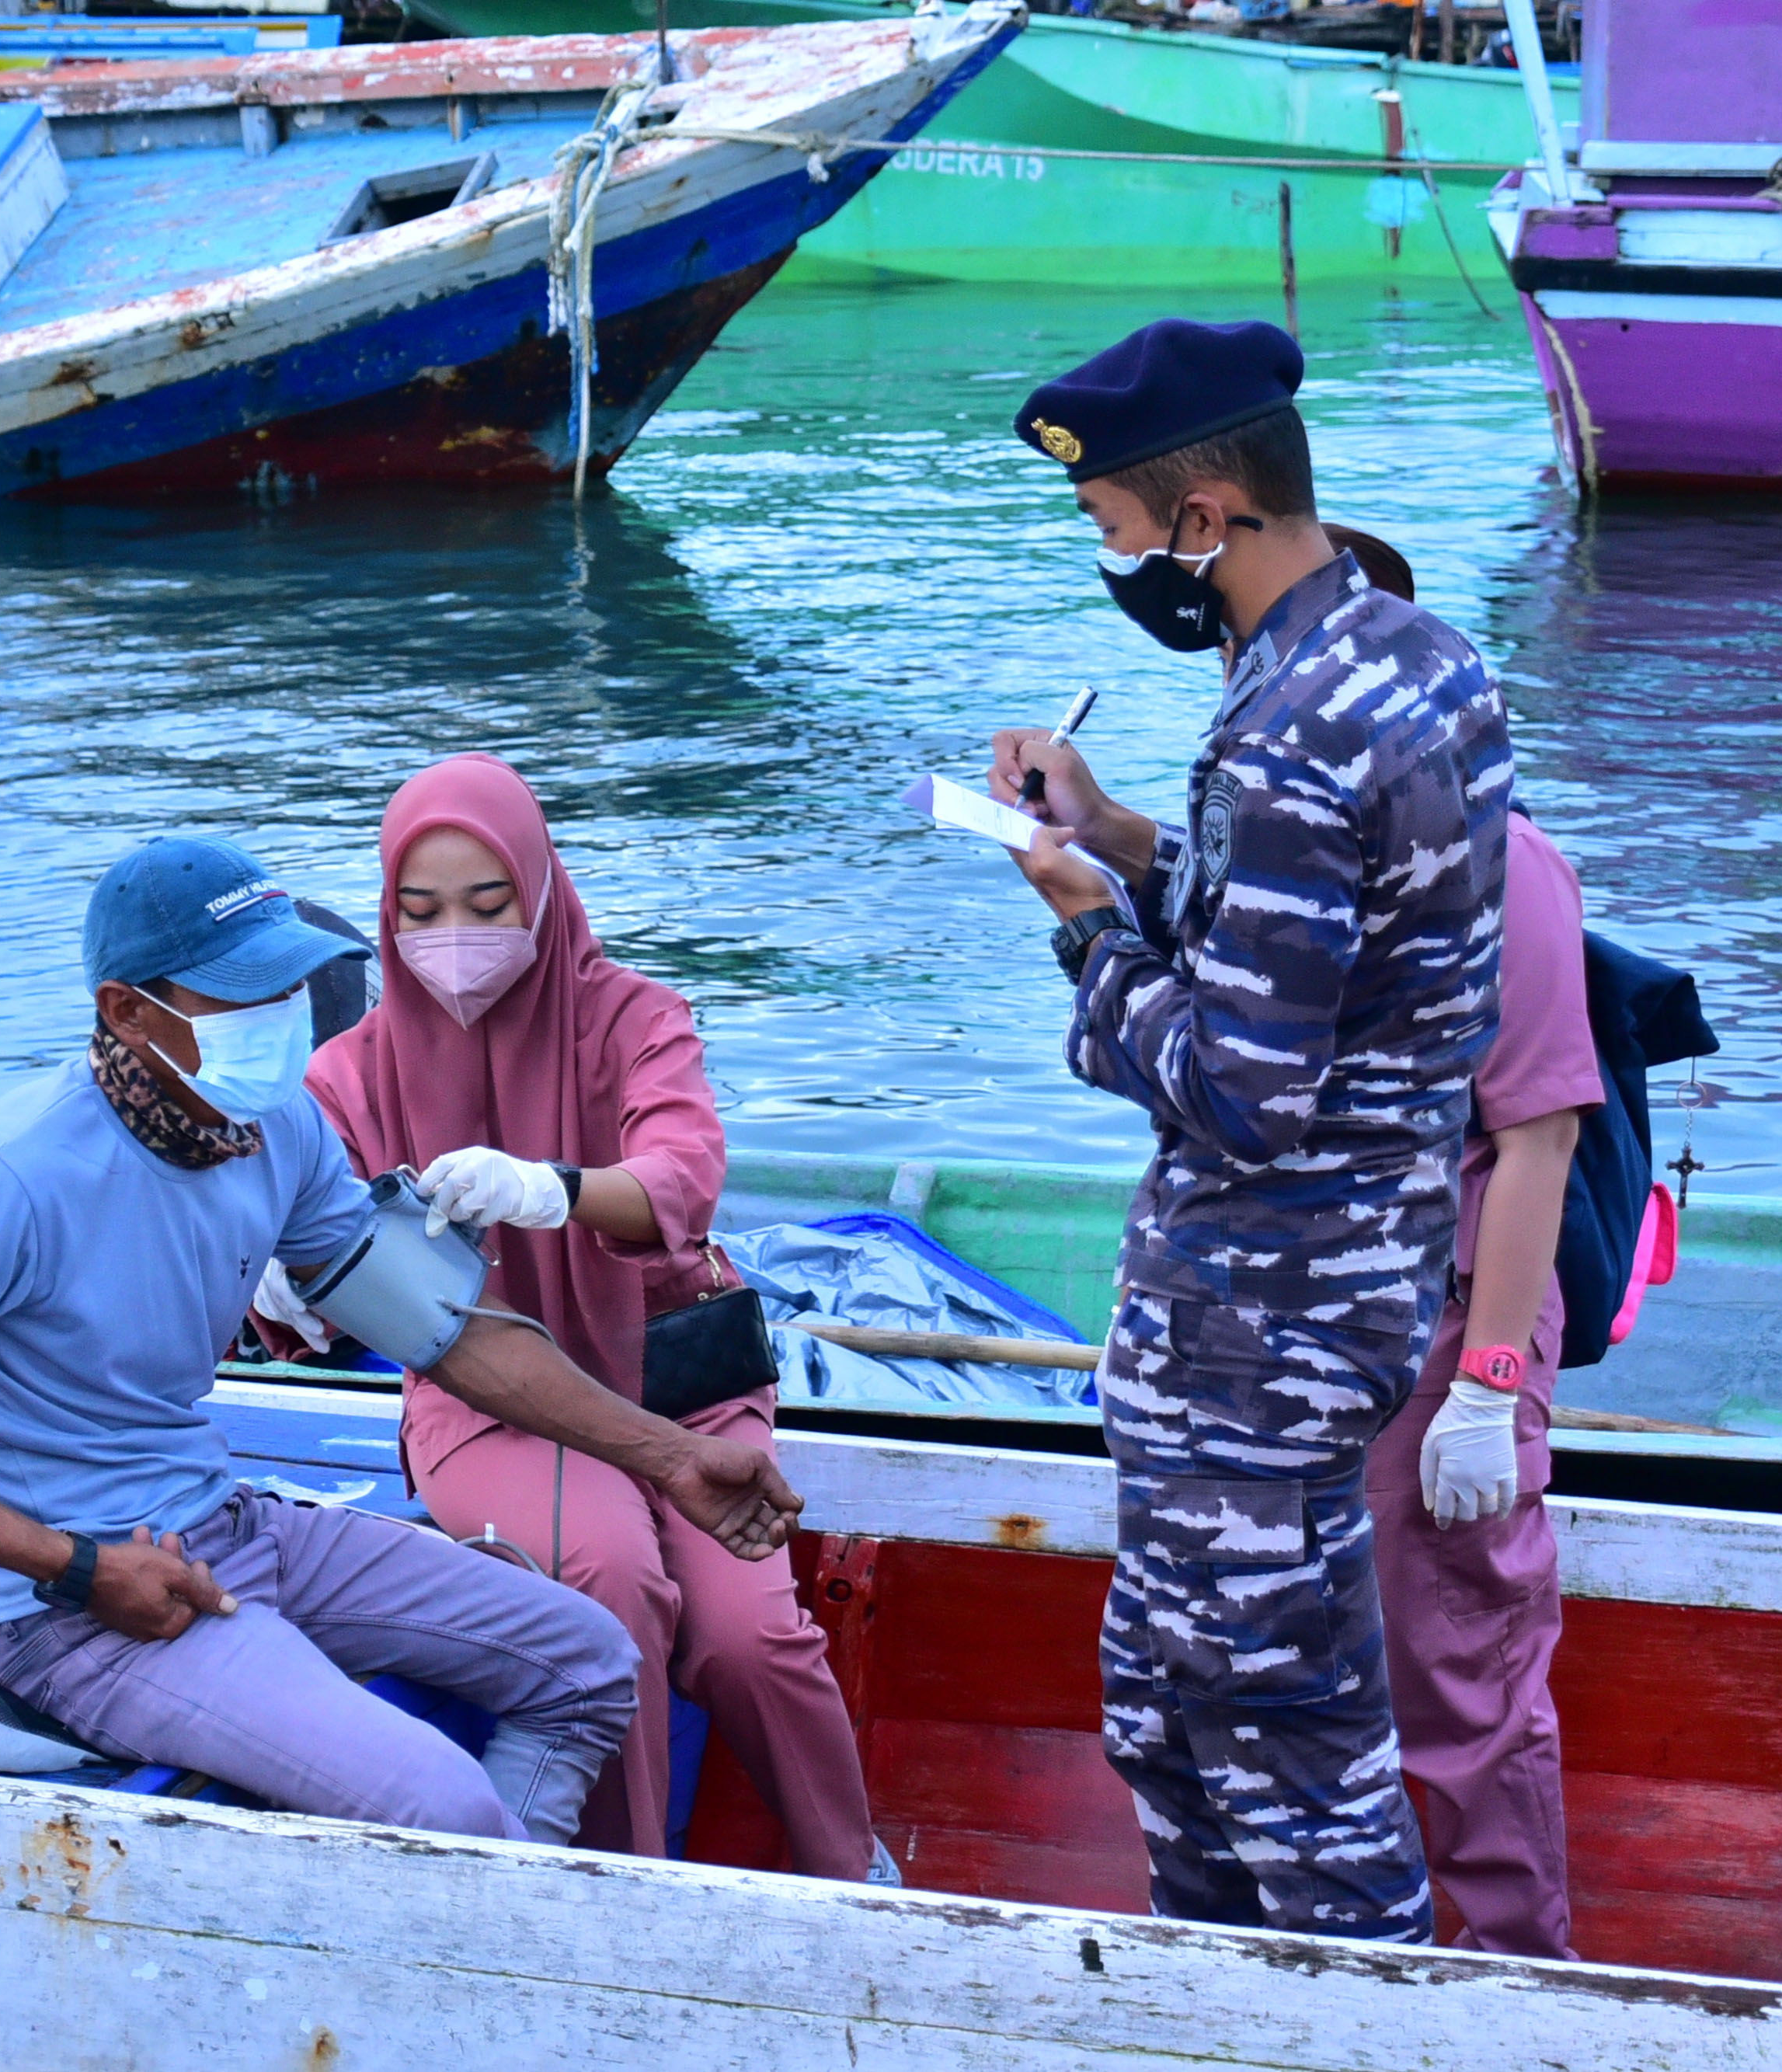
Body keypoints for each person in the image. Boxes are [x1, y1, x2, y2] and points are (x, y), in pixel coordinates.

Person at [0, 833, 806, 1844]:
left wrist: (670, 1458)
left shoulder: (275, 1128)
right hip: (74, 1605)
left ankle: (484, 1926)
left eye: (291, 987)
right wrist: (75, 1565)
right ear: (128, 1011)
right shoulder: (10, 1178)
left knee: (589, 1660)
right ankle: (483, 1927)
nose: (282, 1017)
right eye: (243, 994)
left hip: (224, 1523)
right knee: (442, 1808)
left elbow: (445, 1336)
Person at [986, 318, 1511, 1941]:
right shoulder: (1409, 659)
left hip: (1259, 1322)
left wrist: (1084, 930)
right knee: (1166, 1710)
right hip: (1329, 1288)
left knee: (1287, 1761)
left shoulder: (1285, 734)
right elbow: (1313, 940)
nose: (1123, 564)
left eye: (1121, 531)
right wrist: (1123, 833)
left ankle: (1363, 2030)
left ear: (1206, 513)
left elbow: (1244, 1084)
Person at [301, 754, 882, 1880]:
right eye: (419, 912)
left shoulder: (634, 1019)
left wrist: (551, 1188)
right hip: (487, 1401)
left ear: (541, 891)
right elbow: (305, 1269)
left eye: (488, 904)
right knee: (610, 1583)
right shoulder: (348, 1076)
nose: (455, 937)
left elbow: (681, 1174)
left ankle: (850, 1871)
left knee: (750, 1637)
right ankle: (626, 1884)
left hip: (676, 1371)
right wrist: (286, 1268)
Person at [1364, 806, 1601, 1957]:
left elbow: (1539, 1140)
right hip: (1313, 1320)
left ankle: (1520, 1973)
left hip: (1451, 1320)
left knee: (1460, 1666)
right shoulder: (1274, 823)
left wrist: (1488, 1390)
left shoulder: (1505, 862)